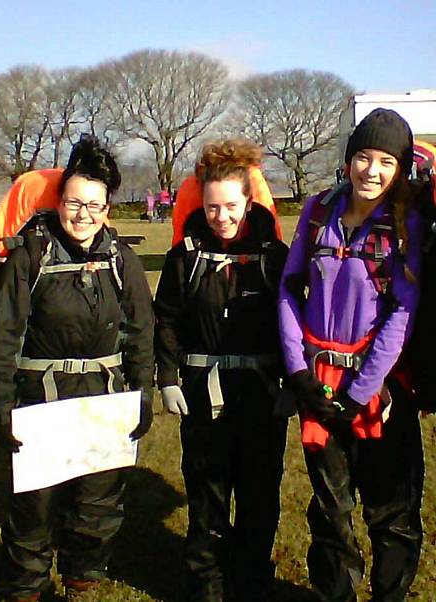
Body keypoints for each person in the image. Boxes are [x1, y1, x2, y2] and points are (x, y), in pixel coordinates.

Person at [0, 135, 155, 602]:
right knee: (33, 510)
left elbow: (141, 334)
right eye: (75, 202)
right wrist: (0, 406)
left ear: (107, 207)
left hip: (105, 398)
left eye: (95, 205)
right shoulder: (28, 257)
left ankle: (82, 580)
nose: (83, 214)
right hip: (41, 400)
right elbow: (3, 338)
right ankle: (25, 588)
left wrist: (143, 397)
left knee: (96, 507)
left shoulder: (123, 261)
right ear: (60, 201)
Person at [279, 109, 423, 601]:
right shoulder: (319, 212)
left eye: (386, 161)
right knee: (329, 510)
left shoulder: (405, 227)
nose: (372, 171)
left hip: (379, 392)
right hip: (318, 385)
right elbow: (288, 289)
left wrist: (362, 390)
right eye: (363, 157)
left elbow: (403, 309)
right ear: (348, 161)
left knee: (391, 513)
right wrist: (298, 372)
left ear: (400, 169)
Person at [155, 139, 289, 601]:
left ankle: (251, 582)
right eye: (213, 207)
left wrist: (292, 383)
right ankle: (206, 588)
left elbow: (293, 322)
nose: (222, 217)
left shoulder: (275, 256)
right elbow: (167, 319)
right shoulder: (186, 257)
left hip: (260, 396)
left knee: (259, 498)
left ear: (249, 202)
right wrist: (168, 379)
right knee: (207, 499)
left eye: (231, 206)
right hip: (203, 395)